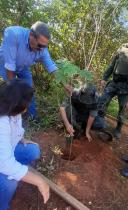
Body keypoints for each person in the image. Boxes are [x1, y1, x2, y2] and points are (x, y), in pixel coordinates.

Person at [0, 79, 49, 210]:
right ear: (15, 104)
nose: (27, 107)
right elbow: (4, 163)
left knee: (32, 150)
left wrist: (21, 138)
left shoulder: (11, 110)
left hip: (5, 154)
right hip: (2, 161)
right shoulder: (1, 122)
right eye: (26, 103)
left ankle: (19, 174)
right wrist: (39, 181)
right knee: (8, 183)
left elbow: (16, 129)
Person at [0, 21, 57, 120]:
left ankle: (32, 116)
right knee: (12, 91)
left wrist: (66, 85)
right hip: (6, 65)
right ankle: (11, 117)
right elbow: (10, 65)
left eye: (44, 46)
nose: (42, 49)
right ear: (31, 35)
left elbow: (51, 67)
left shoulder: (42, 49)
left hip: (23, 67)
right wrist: (14, 87)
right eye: (40, 45)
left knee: (28, 90)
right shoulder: (13, 34)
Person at [98, 43, 128, 139]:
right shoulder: (122, 48)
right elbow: (112, 65)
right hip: (114, 83)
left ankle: (118, 127)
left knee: (122, 107)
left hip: (126, 87)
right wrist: (104, 78)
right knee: (103, 100)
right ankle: (100, 121)